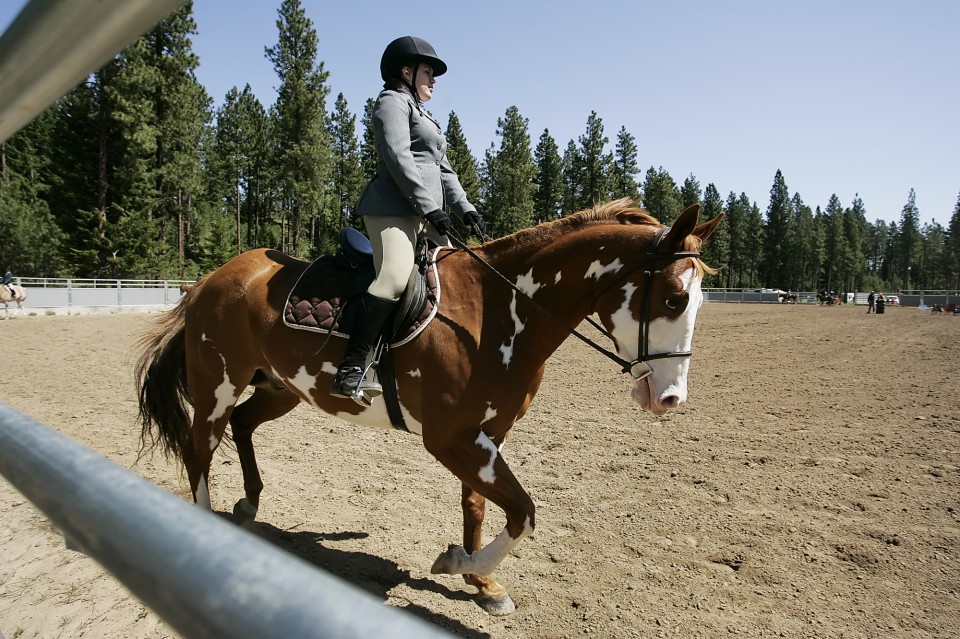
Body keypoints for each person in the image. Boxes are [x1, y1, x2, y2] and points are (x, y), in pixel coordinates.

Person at [330, 36, 484, 400]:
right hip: (392, 210)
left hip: (427, 214)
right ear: (406, 70)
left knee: (454, 282)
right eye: (428, 72)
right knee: (396, 278)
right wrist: (429, 206)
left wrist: (466, 209)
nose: (434, 80)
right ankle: (352, 367)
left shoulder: (425, 115)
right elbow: (398, 158)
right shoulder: (391, 103)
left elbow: (444, 170)